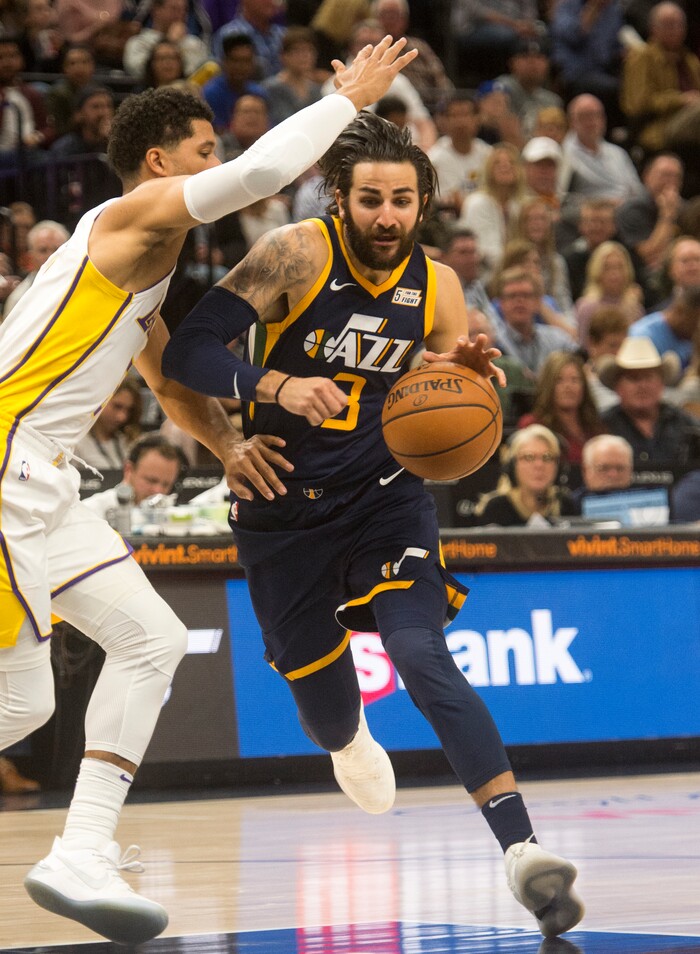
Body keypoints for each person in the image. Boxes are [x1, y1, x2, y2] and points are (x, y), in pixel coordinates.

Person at [0, 38, 418, 945]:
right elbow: (264, 171)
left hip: (45, 483)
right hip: (5, 464)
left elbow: (163, 377)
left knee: (151, 640)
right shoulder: (134, 215)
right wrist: (348, 98)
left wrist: (226, 443)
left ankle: (81, 851)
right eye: (204, 150)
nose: (217, 162)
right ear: (160, 163)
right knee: (24, 702)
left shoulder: (142, 266)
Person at [162, 110, 584, 940]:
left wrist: (460, 373)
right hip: (281, 508)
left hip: (383, 497)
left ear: (424, 202)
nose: (386, 217)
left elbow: (437, 382)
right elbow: (187, 353)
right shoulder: (294, 254)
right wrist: (274, 388)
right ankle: (349, 738)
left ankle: (522, 850)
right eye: (370, 200)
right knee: (325, 712)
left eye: (401, 201)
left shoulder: (440, 286)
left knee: (422, 654)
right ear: (339, 198)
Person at [598, 336, 698, 465]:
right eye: (633, 378)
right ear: (617, 386)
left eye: (648, 377)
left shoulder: (687, 424)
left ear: (661, 383)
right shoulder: (600, 427)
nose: (642, 386)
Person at [475, 424, 577, 525]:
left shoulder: (566, 505)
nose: (539, 465)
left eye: (547, 457)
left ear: (558, 467)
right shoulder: (496, 509)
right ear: (512, 466)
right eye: (529, 457)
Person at [517, 351, 605, 467]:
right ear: (548, 385)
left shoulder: (595, 426)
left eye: (575, 380)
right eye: (559, 380)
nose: (568, 386)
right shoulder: (532, 425)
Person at [459, 142, 527, 280]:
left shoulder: (521, 205)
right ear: (488, 169)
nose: (505, 166)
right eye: (497, 163)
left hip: (519, 273)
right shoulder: (476, 204)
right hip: (483, 276)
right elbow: (488, 253)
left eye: (511, 162)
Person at [493, 266, 577, 374]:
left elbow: (580, 362)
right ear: (501, 303)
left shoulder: (557, 339)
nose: (519, 301)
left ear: (538, 302)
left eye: (526, 295)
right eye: (512, 296)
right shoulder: (495, 343)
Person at [83, 434, 186, 520]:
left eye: (166, 484)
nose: (158, 491)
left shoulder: (174, 518)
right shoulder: (91, 512)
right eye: (151, 480)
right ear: (129, 470)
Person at [574, 240, 644, 344]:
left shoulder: (634, 308)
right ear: (597, 271)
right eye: (607, 268)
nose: (614, 274)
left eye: (619, 267)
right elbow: (583, 346)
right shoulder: (586, 308)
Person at [1, 219, 70, 319]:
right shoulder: (19, 299)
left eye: (57, 249)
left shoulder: (86, 285)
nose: (51, 256)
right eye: (43, 250)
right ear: (31, 256)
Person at [628, 284, 700, 373]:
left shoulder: (689, 336)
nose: (698, 329)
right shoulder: (642, 336)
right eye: (696, 322)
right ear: (680, 312)